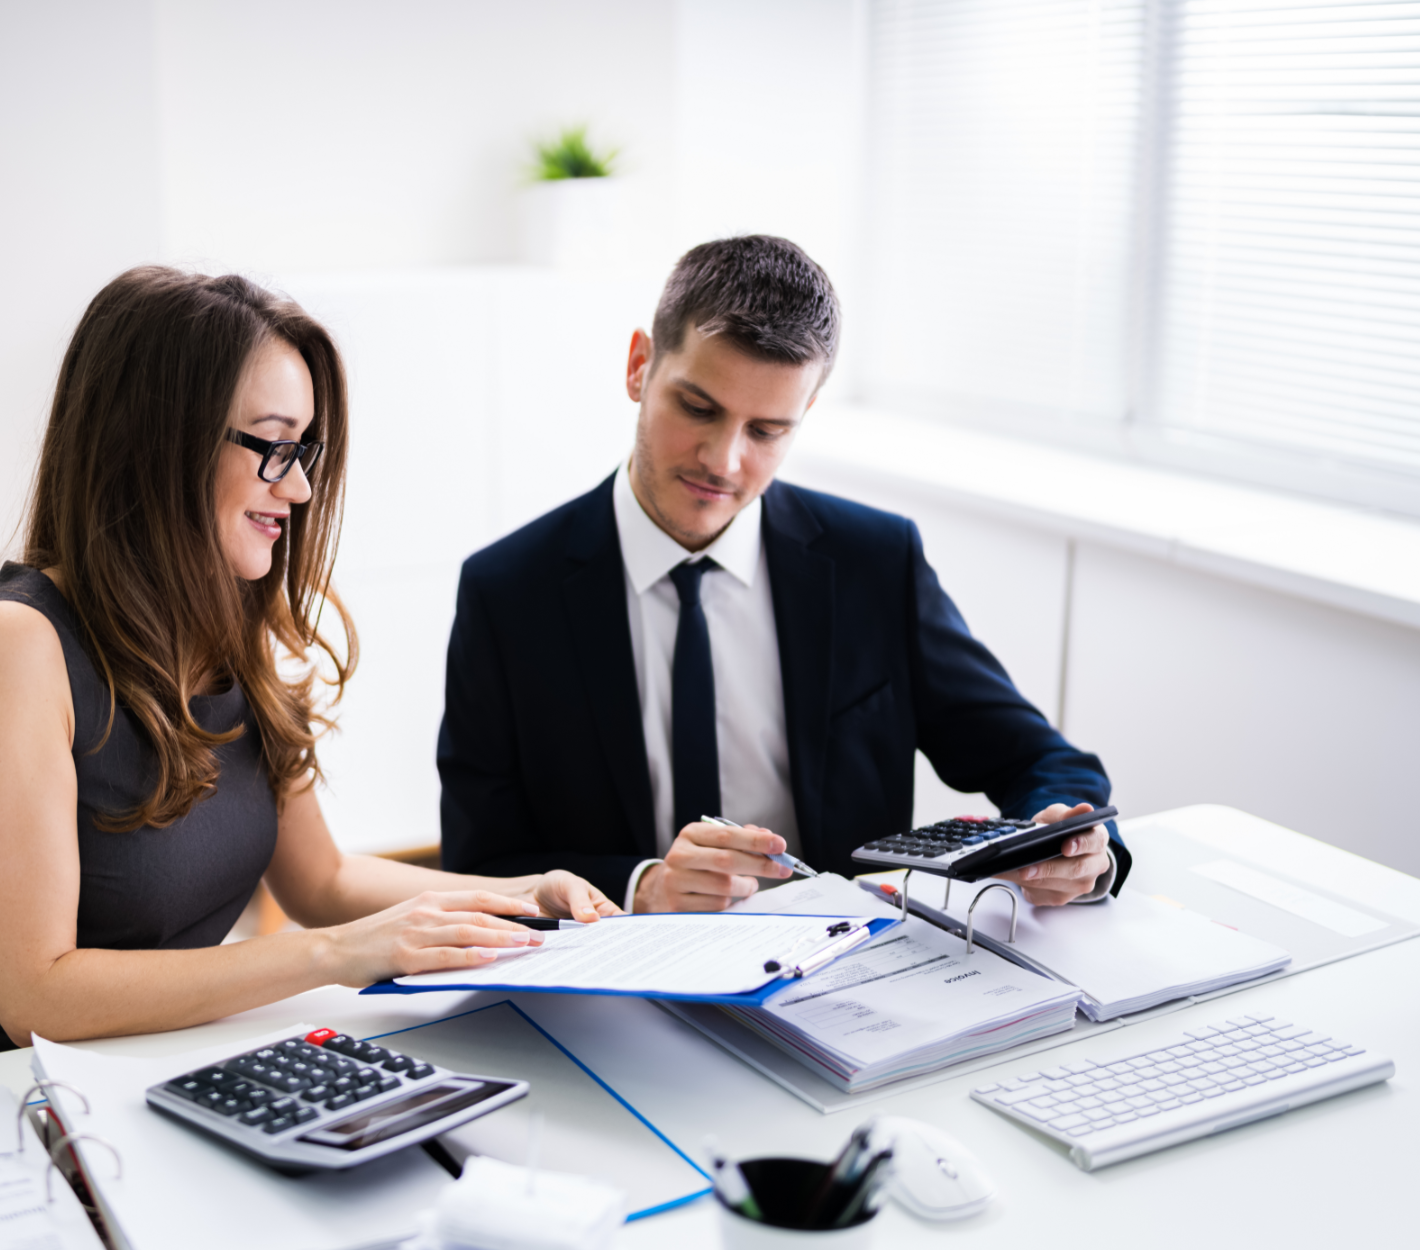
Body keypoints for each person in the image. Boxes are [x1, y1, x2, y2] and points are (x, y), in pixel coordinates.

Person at [0, 267, 616, 1064]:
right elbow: (35, 997)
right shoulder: (13, 648)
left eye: (306, 450)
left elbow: (319, 882)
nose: (301, 486)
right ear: (158, 441)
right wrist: (331, 955)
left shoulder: (227, 627)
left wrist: (524, 895)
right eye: (274, 448)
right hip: (15, 1099)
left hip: (167, 1068)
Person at [436, 235, 1128, 915]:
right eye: (698, 408)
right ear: (639, 366)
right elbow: (481, 862)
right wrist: (641, 887)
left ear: (804, 416)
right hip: (612, 982)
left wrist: (1074, 848)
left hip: (844, 975)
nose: (724, 460)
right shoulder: (508, 591)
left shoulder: (876, 560)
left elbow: (1036, 757)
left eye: (766, 431)